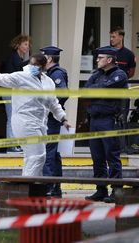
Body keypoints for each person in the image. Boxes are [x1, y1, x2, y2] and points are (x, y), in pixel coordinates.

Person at [0, 54, 70, 176]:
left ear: (43, 67)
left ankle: (27, 186)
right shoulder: (22, 77)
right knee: (38, 156)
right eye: (31, 64)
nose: (31, 66)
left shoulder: (48, 82)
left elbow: (53, 103)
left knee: (31, 157)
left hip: (39, 124)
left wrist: (63, 118)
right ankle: (29, 185)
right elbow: (3, 78)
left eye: (35, 65)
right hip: (24, 121)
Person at [84, 46, 128, 203]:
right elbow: (86, 90)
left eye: (100, 57)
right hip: (95, 120)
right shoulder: (97, 74)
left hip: (110, 120)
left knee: (112, 155)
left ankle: (116, 191)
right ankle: (100, 190)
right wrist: (97, 89)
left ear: (109, 59)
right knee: (97, 157)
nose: (97, 60)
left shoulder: (119, 75)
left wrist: (96, 89)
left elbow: (105, 88)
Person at [40, 46, 69, 197]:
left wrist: (49, 105)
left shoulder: (56, 73)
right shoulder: (49, 73)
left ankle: (49, 186)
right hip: (51, 118)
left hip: (52, 119)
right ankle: (55, 187)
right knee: (53, 153)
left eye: (43, 56)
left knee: (48, 153)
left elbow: (63, 94)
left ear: (49, 58)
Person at [1, 34, 31, 153]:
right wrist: (32, 61)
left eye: (28, 45)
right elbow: (19, 68)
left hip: (14, 92)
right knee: (11, 117)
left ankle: (15, 143)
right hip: (9, 91)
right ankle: (12, 145)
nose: (27, 47)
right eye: (25, 44)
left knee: (15, 117)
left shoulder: (19, 58)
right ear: (18, 45)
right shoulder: (14, 57)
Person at [109, 27, 136, 153]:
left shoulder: (129, 54)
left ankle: (123, 146)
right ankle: (109, 145)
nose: (111, 39)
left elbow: (131, 72)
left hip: (123, 91)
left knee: (122, 118)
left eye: (114, 36)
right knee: (109, 118)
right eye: (111, 37)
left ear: (121, 37)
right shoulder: (108, 52)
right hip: (109, 92)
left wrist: (121, 79)